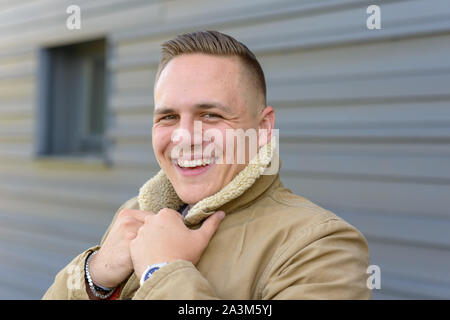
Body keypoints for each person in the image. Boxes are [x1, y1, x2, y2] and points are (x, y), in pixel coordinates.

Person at [43, 30, 371, 300]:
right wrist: (93, 278)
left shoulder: (319, 245)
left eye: (210, 115)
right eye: (168, 117)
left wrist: (162, 272)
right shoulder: (135, 215)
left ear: (263, 128)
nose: (185, 137)